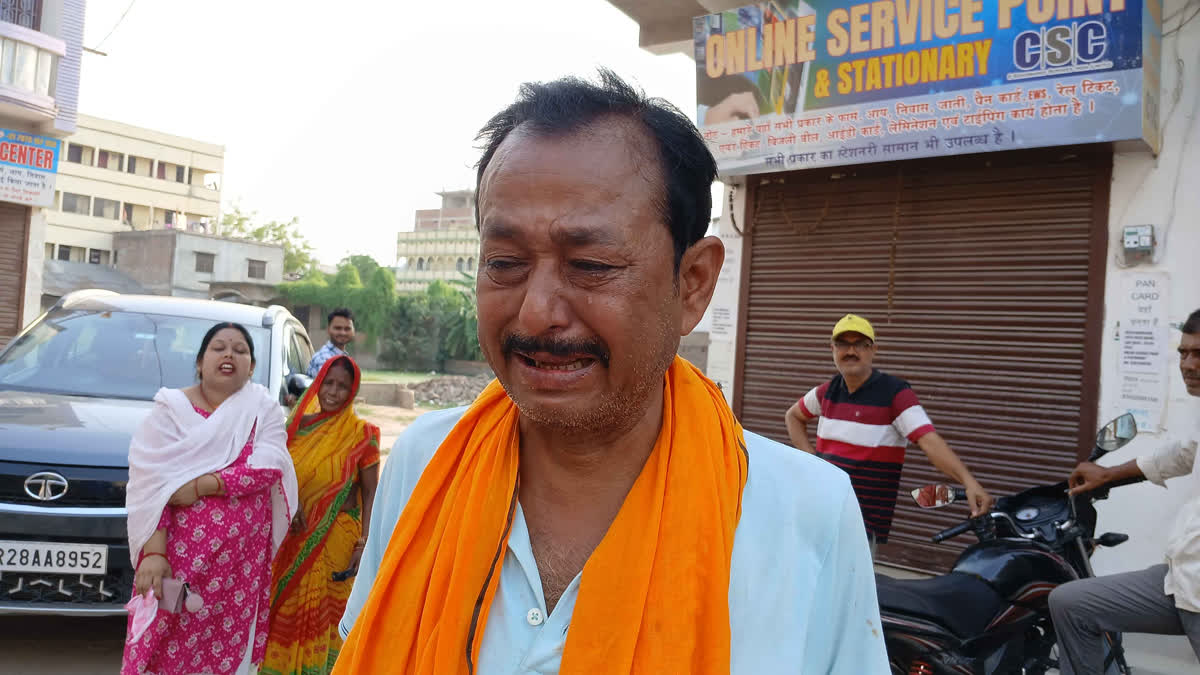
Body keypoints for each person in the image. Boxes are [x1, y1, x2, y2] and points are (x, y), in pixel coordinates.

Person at [332, 70, 887, 674]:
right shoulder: (424, 464)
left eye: (591, 264)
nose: (537, 312)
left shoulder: (804, 513)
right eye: (505, 262)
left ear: (693, 283)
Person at [123, 322, 299, 675]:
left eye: (240, 349)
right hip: (176, 561)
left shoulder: (262, 409)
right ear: (201, 362)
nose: (229, 354)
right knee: (163, 652)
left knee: (227, 658)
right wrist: (154, 553)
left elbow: (268, 467)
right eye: (219, 347)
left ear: (250, 367)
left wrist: (203, 485)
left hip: (240, 571)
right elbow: (149, 486)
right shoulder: (169, 412)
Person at [1049, 308, 1200, 674]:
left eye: (1199, 355)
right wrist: (1108, 475)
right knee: (1070, 603)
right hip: (1180, 577)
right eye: (1183, 352)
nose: (1188, 364)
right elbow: (1182, 454)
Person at [785, 314, 994, 555]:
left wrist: (969, 483)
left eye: (860, 344)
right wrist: (812, 459)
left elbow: (929, 441)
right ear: (832, 349)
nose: (850, 351)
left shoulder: (895, 394)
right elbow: (793, 416)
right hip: (820, 509)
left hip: (861, 520)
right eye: (843, 344)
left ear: (873, 349)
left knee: (850, 591)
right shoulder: (827, 392)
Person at [262, 355, 380, 675]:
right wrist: (291, 502)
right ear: (316, 383)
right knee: (286, 609)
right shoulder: (295, 429)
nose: (333, 392)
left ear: (352, 392)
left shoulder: (363, 434)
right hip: (293, 537)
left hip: (335, 543)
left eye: (343, 386)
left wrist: (364, 542)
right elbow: (275, 475)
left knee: (328, 617)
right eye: (328, 383)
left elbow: (371, 493)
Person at [306, 309, 355, 377]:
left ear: (353, 330)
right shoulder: (323, 359)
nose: (343, 333)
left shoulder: (343, 356)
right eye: (338, 328)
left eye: (347, 329)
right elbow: (329, 387)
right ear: (328, 329)